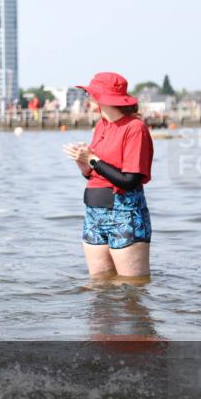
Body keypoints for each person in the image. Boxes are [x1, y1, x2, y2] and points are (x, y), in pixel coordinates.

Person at [63, 72, 153, 280]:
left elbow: (130, 181)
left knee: (132, 287)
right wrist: (83, 162)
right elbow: (96, 174)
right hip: (94, 214)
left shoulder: (134, 128)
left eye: (92, 94)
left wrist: (93, 159)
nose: (89, 98)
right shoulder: (101, 126)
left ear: (104, 98)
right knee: (99, 288)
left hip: (125, 214)